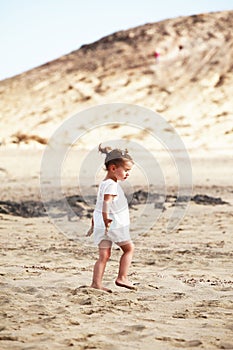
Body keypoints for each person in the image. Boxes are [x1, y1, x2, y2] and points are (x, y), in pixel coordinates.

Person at [86, 144, 136, 292]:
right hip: (112, 225)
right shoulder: (112, 185)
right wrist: (106, 218)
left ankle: (96, 283)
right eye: (126, 170)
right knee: (129, 249)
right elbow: (106, 203)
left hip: (102, 225)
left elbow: (98, 205)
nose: (128, 174)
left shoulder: (104, 184)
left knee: (104, 255)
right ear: (113, 168)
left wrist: (94, 224)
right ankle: (122, 277)